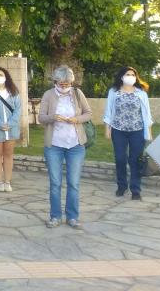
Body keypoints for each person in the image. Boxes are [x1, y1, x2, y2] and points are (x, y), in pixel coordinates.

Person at [38, 65, 92, 229]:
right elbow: (41, 117)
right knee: (55, 183)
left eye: (67, 83)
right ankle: (55, 216)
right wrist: (53, 117)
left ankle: (72, 217)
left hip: (75, 144)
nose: (65, 86)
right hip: (54, 144)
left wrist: (76, 119)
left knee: (73, 183)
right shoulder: (48, 95)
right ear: (55, 81)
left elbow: (88, 113)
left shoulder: (77, 93)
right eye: (62, 83)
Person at [103, 66, 153, 200]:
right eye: (127, 74)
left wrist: (148, 132)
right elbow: (108, 111)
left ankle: (135, 190)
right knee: (120, 159)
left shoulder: (141, 93)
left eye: (133, 74)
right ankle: (122, 186)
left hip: (137, 130)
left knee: (135, 160)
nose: (130, 76)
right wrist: (107, 129)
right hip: (118, 130)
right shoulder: (114, 92)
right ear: (121, 76)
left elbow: (147, 114)